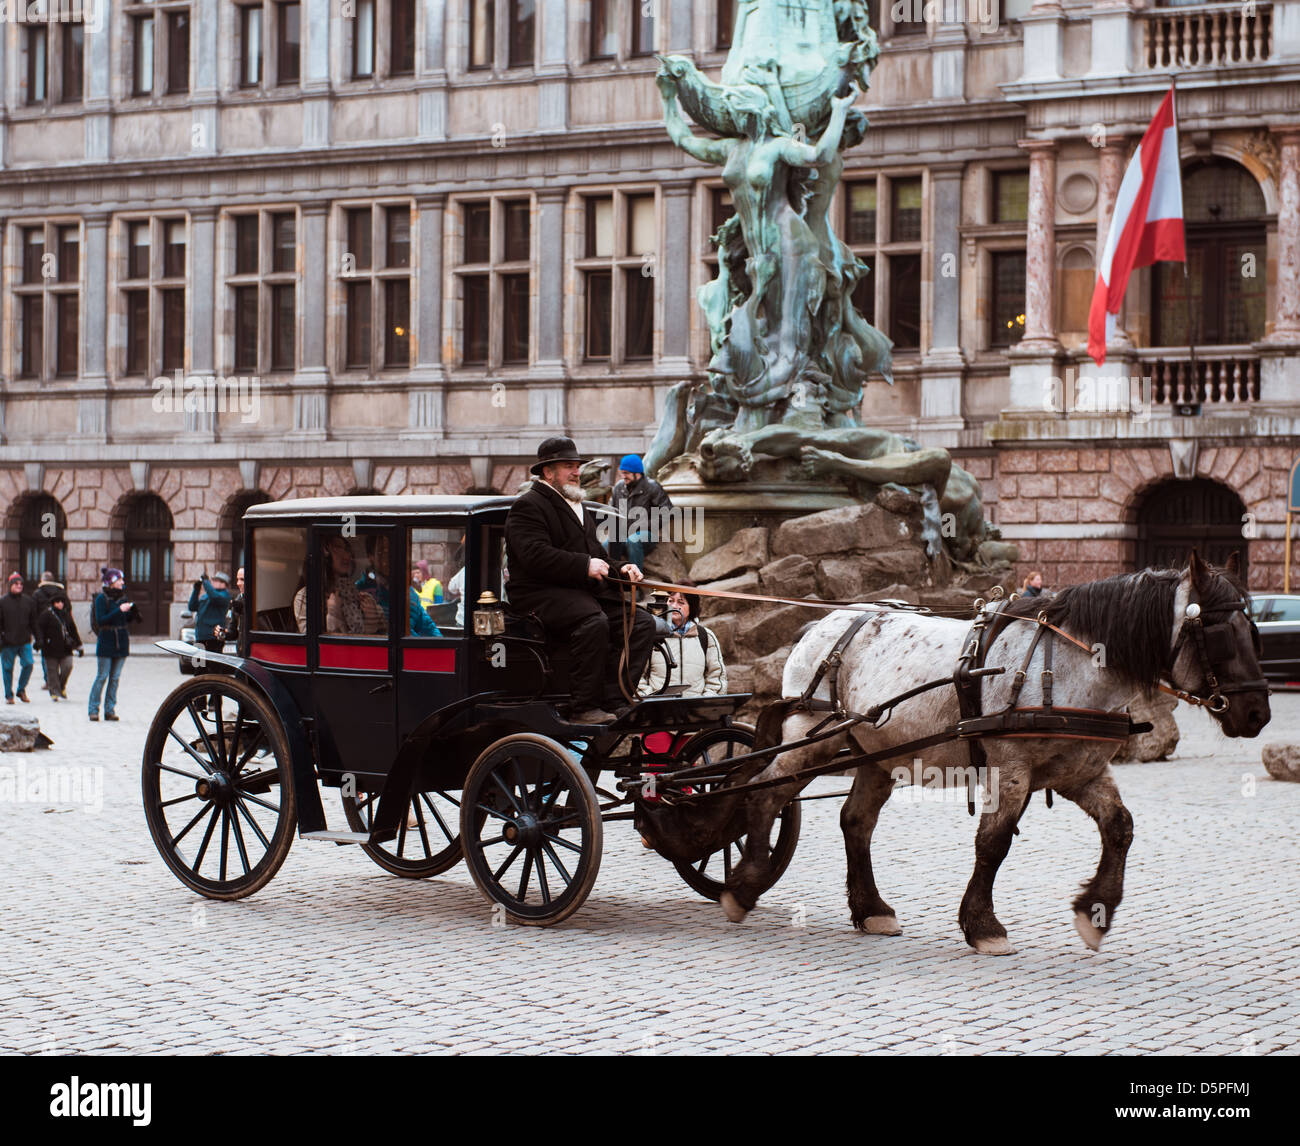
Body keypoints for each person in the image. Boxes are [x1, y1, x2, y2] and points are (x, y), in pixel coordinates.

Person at [505, 436, 656, 724]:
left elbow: (597, 555)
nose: (577, 472)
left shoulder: (576, 504)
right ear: (548, 472)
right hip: (538, 594)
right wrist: (584, 565)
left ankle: (616, 699)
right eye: (569, 466)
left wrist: (622, 568)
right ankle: (583, 706)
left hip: (576, 593)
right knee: (593, 620)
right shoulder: (529, 505)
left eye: (577, 466)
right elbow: (535, 555)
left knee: (640, 623)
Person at [638, 589, 727, 699]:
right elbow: (637, 675)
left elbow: (716, 676)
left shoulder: (705, 636)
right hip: (658, 710)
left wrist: (704, 701)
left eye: (681, 602)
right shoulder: (652, 634)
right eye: (670, 601)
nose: (674, 606)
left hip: (695, 710)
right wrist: (652, 700)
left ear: (692, 607)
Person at [293, 533, 385, 634]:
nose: (347, 555)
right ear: (324, 552)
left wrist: (371, 618)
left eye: (347, 549)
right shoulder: (305, 597)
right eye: (338, 548)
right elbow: (313, 643)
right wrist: (334, 614)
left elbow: (363, 635)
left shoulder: (349, 589)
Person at [89, 567, 141, 722]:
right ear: (111, 582)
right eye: (119, 580)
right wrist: (119, 610)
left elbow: (126, 619)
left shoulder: (123, 598)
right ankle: (93, 709)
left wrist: (133, 612)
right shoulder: (101, 599)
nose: (122, 583)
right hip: (106, 641)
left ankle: (109, 710)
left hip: (122, 642)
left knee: (115, 678)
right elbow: (101, 620)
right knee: (102, 676)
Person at [609, 453, 673, 572]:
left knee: (633, 540)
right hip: (623, 533)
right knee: (606, 545)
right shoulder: (618, 488)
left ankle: (635, 585)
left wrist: (643, 525)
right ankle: (611, 581)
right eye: (622, 473)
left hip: (647, 535)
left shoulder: (652, 487)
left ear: (637, 473)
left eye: (626, 473)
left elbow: (668, 511)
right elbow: (610, 511)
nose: (623, 476)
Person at [0, 572, 38, 704]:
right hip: (7, 642)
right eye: (16, 584)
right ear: (10, 585)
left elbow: (34, 622)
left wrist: (39, 638)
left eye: (21, 584)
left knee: (29, 664)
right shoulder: (2, 602)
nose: (19, 586)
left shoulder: (28, 601)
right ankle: (8, 695)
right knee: (7, 669)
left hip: (24, 641)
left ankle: (21, 689)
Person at [36, 596, 83, 701]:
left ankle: (61, 686)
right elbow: (39, 629)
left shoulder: (66, 615)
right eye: (58, 602)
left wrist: (79, 645)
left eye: (62, 602)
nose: (60, 604)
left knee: (68, 666)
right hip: (50, 648)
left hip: (66, 648)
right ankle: (54, 692)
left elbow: (73, 630)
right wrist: (40, 641)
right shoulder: (46, 615)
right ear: (53, 603)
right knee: (52, 672)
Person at [32, 571, 69, 691]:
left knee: (46, 656)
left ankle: (49, 680)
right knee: (61, 655)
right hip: (59, 628)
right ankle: (57, 680)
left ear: (42, 580)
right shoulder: (61, 592)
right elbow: (68, 608)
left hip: (44, 629)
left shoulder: (37, 593)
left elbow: (33, 612)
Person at [187, 571, 232, 653]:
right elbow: (192, 607)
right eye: (213, 580)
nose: (212, 582)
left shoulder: (225, 595)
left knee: (212, 665)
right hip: (200, 637)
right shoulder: (206, 596)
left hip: (213, 639)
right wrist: (196, 590)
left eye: (216, 580)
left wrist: (206, 582)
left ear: (223, 584)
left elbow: (214, 597)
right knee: (199, 665)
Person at [217, 567, 245, 647]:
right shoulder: (238, 598)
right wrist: (223, 633)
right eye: (237, 579)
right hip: (241, 652)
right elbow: (233, 632)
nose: (238, 583)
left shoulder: (257, 601)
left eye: (242, 579)